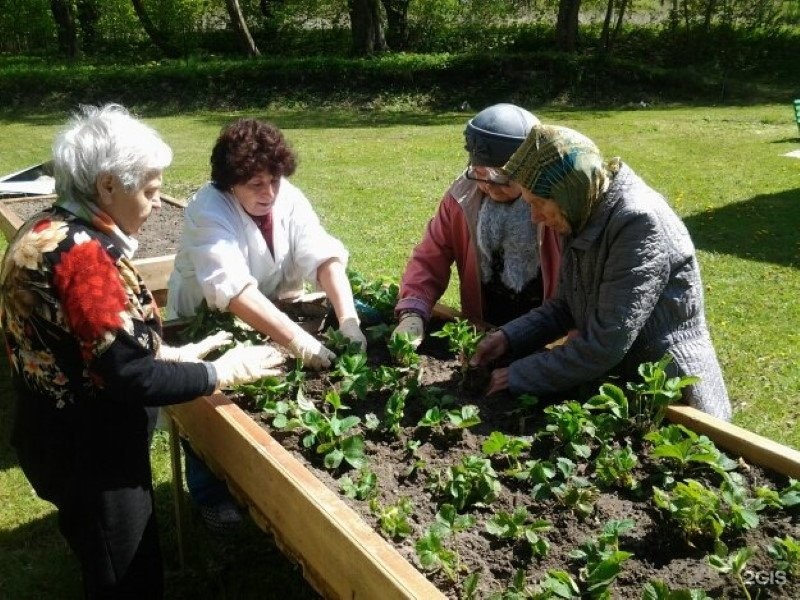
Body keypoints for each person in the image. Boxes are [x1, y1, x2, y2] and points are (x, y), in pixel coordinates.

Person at [0, 104, 283, 598]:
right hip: (91, 453)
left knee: (103, 554)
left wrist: (177, 353)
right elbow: (128, 376)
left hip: (55, 434)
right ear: (108, 185)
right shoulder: (83, 258)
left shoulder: (47, 227)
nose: (155, 204)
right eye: (149, 191)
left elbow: (94, 340)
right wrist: (221, 373)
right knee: (125, 576)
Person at [166, 117, 367, 530]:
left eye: (274, 180)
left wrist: (348, 318)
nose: (269, 192)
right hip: (206, 315)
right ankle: (209, 494)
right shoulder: (208, 209)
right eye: (256, 184)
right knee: (208, 401)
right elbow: (233, 288)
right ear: (230, 182)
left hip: (272, 306)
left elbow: (323, 255)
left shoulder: (286, 196)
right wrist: (298, 340)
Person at [471, 123, 732, 421]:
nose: (535, 217)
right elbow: (565, 306)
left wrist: (516, 375)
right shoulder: (581, 208)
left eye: (540, 203)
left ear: (567, 189)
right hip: (623, 386)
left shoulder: (637, 222)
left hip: (669, 391)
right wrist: (507, 338)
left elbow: (605, 343)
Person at [392, 103, 562, 344]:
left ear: (529, 169)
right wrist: (413, 311)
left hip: (548, 337)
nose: (488, 186)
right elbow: (431, 256)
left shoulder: (556, 207)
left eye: (499, 177)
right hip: (484, 329)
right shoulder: (461, 198)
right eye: (479, 174)